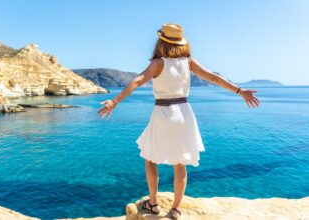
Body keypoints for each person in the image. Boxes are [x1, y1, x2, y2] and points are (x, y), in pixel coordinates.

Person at [98, 23, 260, 219]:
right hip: (184, 114)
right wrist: (240, 91)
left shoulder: (158, 63)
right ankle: (175, 210)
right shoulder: (188, 62)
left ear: (161, 42)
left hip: (162, 113)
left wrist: (115, 100)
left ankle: (153, 204)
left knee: (150, 159)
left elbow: (138, 80)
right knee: (180, 164)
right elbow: (213, 78)